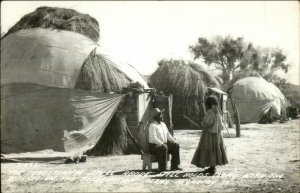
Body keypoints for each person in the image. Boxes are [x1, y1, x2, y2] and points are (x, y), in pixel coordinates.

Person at [191, 95, 228, 175]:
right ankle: (212, 167)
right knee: (214, 149)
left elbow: (207, 123)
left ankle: (212, 168)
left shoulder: (211, 112)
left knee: (210, 148)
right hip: (216, 134)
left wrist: (203, 123)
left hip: (210, 134)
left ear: (209, 104)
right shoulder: (217, 111)